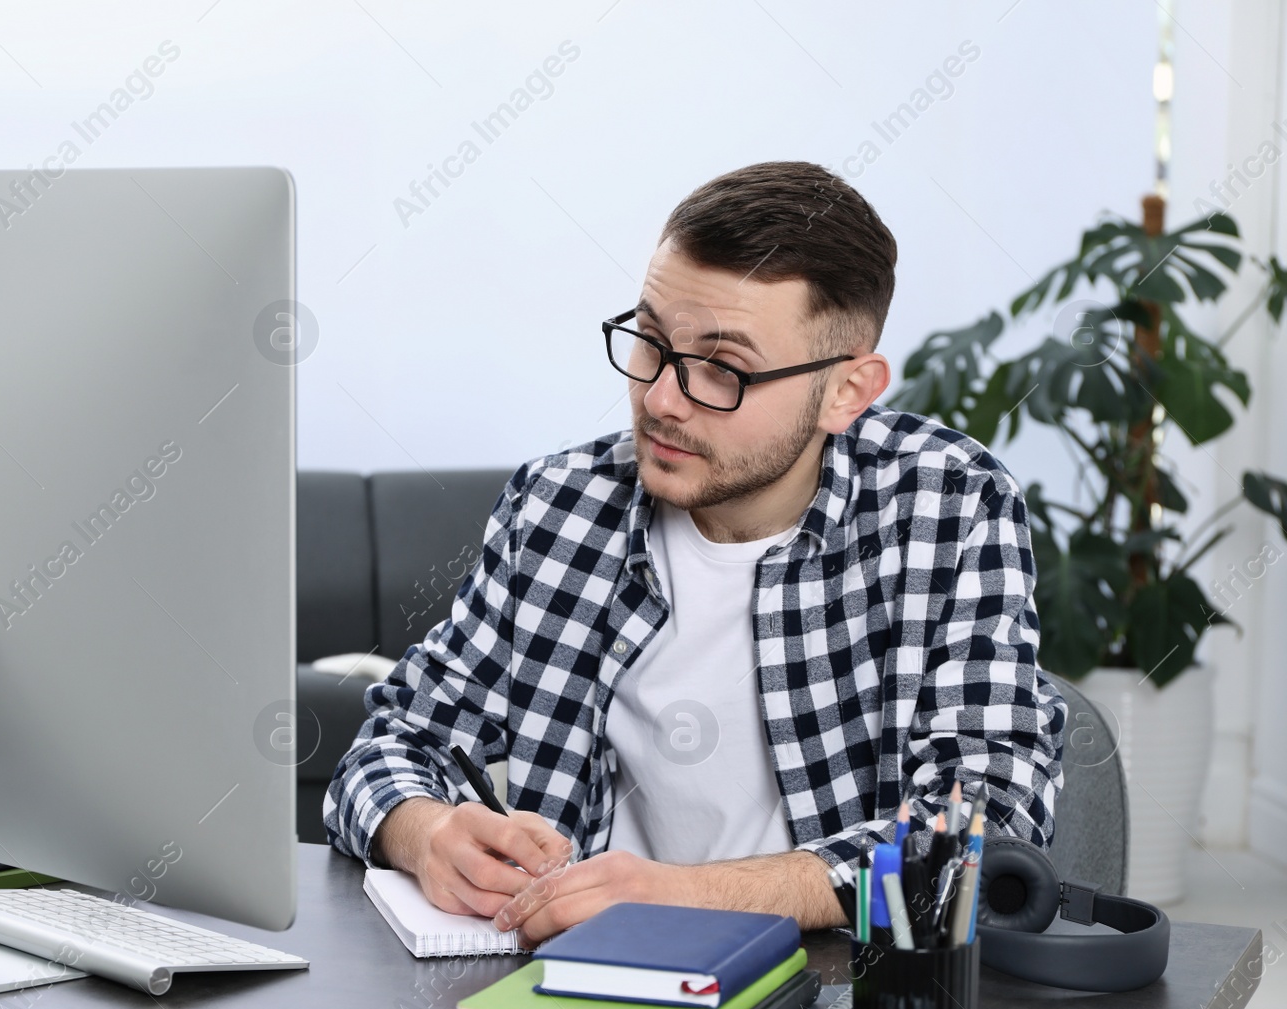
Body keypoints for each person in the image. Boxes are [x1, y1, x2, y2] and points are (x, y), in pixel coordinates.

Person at [324, 160, 1066, 944]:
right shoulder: (560, 504)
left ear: (848, 391)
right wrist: (427, 830)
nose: (661, 399)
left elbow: (982, 830)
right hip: (575, 994)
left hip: (836, 999)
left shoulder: (947, 507)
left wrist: (685, 895)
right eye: (650, 341)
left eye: (724, 369)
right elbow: (397, 739)